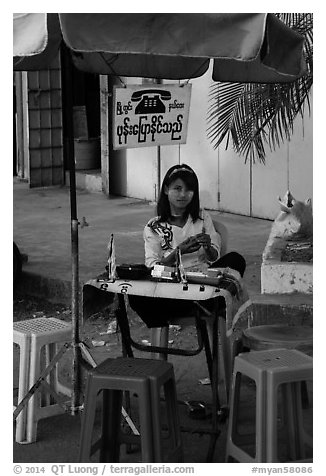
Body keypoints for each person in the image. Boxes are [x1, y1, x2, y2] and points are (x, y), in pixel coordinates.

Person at [129, 163, 246, 328]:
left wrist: (208, 247)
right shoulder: (153, 227)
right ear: (166, 190)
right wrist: (178, 252)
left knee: (236, 259)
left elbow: (215, 257)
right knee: (135, 293)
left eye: (189, 190)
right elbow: (152, 267)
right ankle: (180, 314)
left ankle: (205, 304)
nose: (183, 194)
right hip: (172, 288)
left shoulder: (202, 217)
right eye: (177, 188)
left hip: (204, 285)